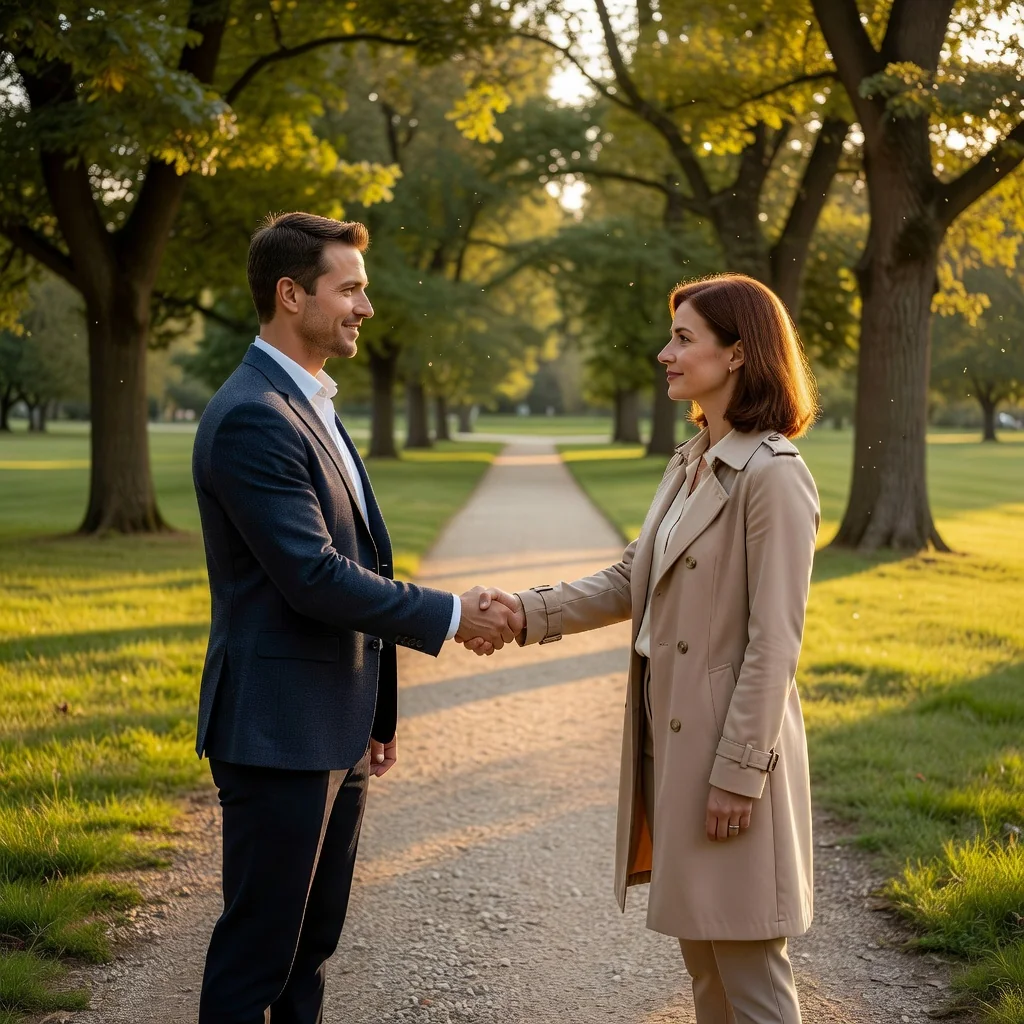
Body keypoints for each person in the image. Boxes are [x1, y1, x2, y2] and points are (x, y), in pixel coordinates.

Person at [191, 211, 517, 1024]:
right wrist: (451, 614)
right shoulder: (252, 416)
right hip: (275, 730)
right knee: (257, 958)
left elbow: (361, 558)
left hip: (331, 723)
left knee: (310, 952)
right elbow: (312, 577)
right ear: (291, 294)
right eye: (350, 289)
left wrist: (376, 708)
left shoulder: (312, 402)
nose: (366, 307)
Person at [472, 273, 820, 1024]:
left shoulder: (774, 477)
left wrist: (738, 773)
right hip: (678, 751)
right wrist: (524, 612)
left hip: (732, 759)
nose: (665, 353)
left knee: (751, 970)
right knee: (705, 964)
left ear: (736, 354)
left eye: (683, 338)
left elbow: (775, 642)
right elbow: (634, 575)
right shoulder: (692, 459)